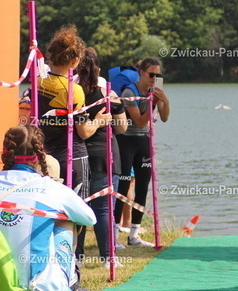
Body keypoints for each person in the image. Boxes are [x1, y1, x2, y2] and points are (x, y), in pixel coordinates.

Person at [0, 125, 96, 291]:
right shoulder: (51, 187)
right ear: (40, 154)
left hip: (3, 290)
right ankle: (70, 285)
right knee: (66, 221)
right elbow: (90, 218)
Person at [37, 24, 110, 262]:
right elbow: (83, 131)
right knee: (75, 211)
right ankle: (73, 263)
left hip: (44, 157)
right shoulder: (74, 90)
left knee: (48, 211)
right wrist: (99, 121)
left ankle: (49, 259)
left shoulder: (38, 83)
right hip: (72, 156)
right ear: (75, 60)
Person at [76, 48, 128, 265]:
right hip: (105, 155)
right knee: (105, 209)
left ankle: (77, 258)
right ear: (98, 68)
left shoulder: (73, 93)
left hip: (79, 156)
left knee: (77, 207)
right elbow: (122, 127)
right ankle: (108, 258)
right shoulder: (108, 93)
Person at [114, 57, 170, 246]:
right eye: (151, 75)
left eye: (158, 75)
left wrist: (164, 100)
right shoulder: (130, 92)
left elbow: (164, 118)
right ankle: (114, 234)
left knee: (142, 187)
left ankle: (134, 235)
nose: (154, 78)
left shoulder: (155, 91)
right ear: (141, 73)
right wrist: (151, 100)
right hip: (125, 141)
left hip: (143, 141)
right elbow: (139, 121)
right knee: (122, 188)